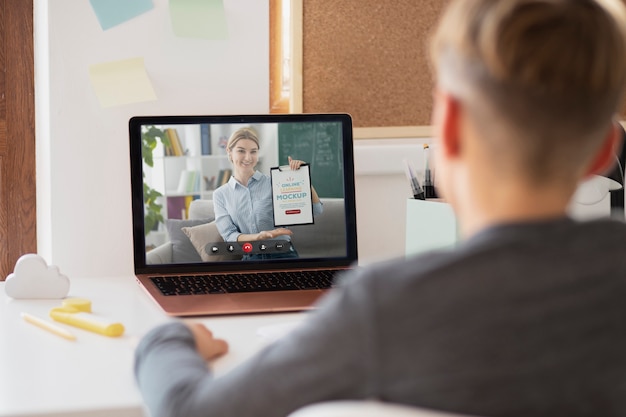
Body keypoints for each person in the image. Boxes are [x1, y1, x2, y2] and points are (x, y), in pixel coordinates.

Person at [134, 0, 626, 416]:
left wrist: (166, 341)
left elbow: (190, 409)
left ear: (449, 126)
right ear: (606, 148)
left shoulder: (383, 305)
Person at [212, 127, 323, 260]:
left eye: (253, 152)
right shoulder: (220, 194)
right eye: (241, 151)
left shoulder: (275, 182)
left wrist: (303, 177)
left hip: (283, 254)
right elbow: (229, 237)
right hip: (251, 257)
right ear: (229, 152)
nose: (248, 157)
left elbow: (316, 210)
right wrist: (259, 236)